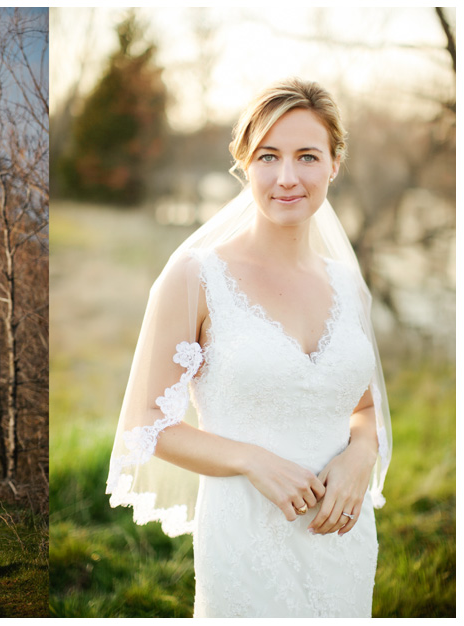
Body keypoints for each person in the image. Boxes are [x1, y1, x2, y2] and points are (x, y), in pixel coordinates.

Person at [106, 78, 392, 617]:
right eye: (268, 156)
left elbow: (365, 407)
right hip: (246, 539)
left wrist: (360, 454)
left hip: (343, 540)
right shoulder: (195, 276)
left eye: (307, 156)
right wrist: (249, 458)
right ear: (244, 164)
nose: (287, 177)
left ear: (334, 163)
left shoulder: (349, 285)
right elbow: (145, 425)